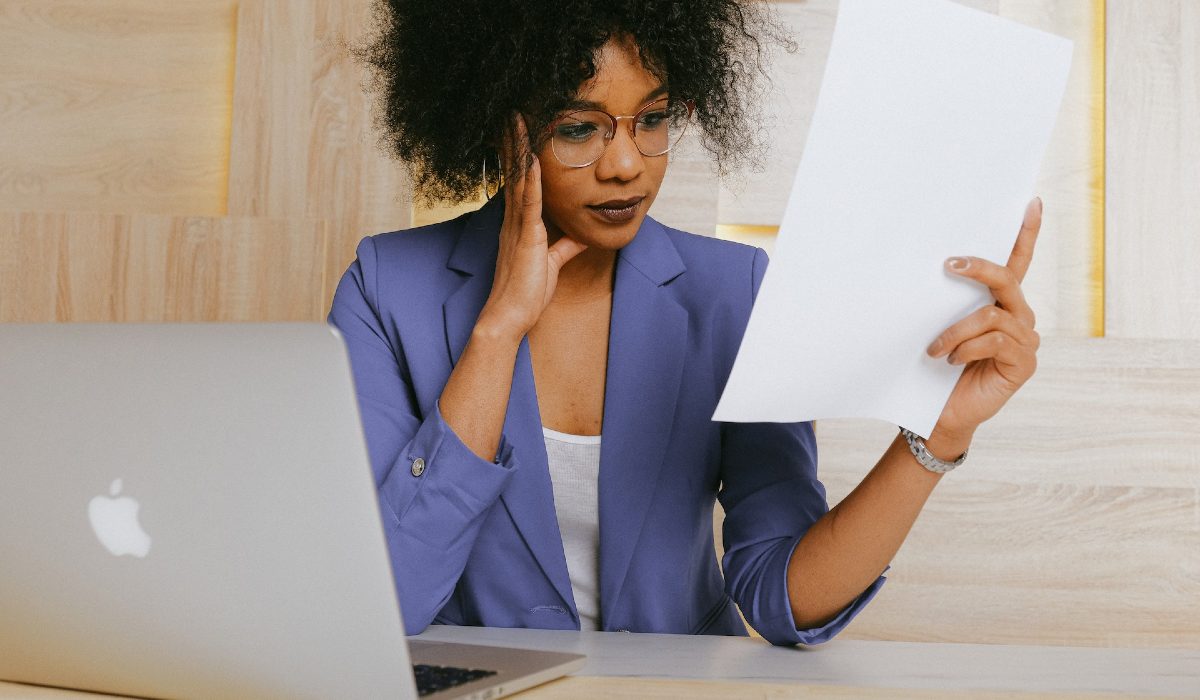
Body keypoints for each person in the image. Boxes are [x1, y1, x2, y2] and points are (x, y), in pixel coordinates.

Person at [327, 0, 1041, 647]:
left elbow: (782, 598)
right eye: (578, 128)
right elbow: (389, 598)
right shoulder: (388, 291)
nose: (627, 164)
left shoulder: (730, 293)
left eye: (655, 119)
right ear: (497, 124)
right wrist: (498, 331)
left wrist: (937, 434)